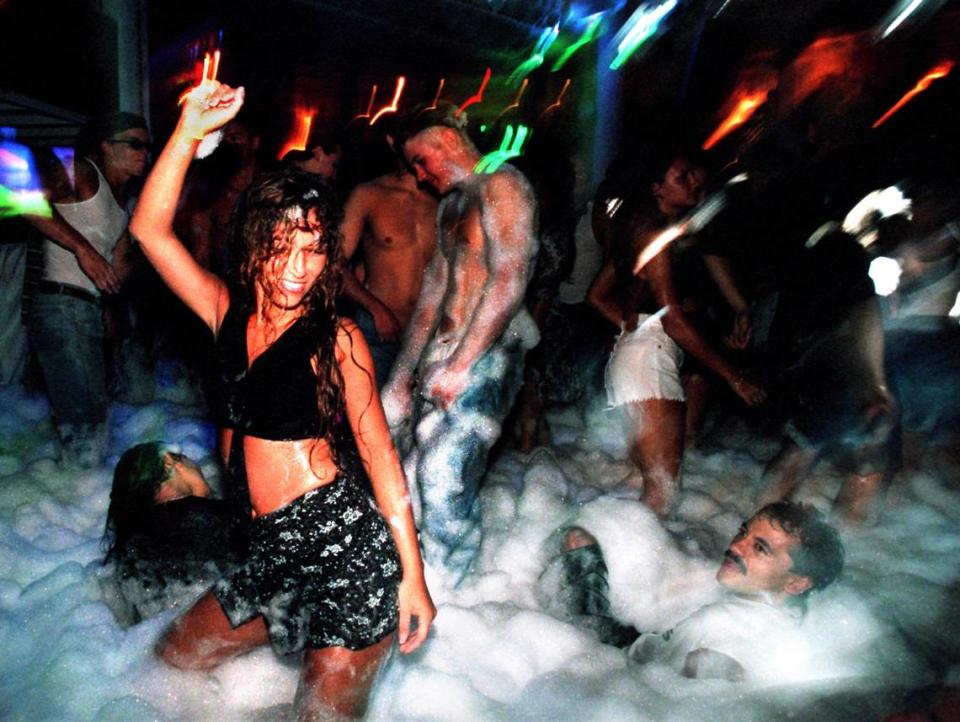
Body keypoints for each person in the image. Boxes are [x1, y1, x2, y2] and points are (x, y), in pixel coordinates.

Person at [129, 80, 434, 721]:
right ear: (254, 245)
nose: (299, 267)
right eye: (283, 248)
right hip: (269, 550)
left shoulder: (337, 338)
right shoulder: (224, 312)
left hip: (345, 551)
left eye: (315, 249)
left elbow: (379, 454)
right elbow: (150, 230)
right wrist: (188, 135)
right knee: (165, 664)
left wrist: (414, 574)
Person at [381, 102, 539, 586]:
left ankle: (458, 589)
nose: (420, 175)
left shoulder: (503, 184)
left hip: (488, 355)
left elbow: (511, 278)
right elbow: (432, 296)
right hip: (444, 354)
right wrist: (402, 375)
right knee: (407, 473)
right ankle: (420, 581)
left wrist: (463, 364)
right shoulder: (452, 206)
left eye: (421, 160)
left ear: (447, 140)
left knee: (442, 476)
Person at [587, 147, 765, 515]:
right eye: (681, 177)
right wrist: (735, 378)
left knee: (645, 482)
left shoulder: (641, 230)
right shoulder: (654, 236)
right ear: (657, 188)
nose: (694, 180)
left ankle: (593, 539)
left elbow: (598, 297)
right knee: (662, 494)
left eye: (694, 173)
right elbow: (673, 319)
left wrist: (633, 327)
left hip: (635, 357)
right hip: (648, 360)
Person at [548, 500, 844, 682]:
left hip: (619, 671)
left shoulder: (721, 648)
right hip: (645, 655)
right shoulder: (777, 614)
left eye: (760, 548)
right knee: (579, 541)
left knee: (576, 543)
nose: (735, 546)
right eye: (744, 532)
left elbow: (683, 700)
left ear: (796, 583)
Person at [25, 112, 148, 467]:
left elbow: (118, 270)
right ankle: (70, 500)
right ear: (107, 147)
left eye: (147, 146)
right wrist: (83, 249)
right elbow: (21, 197)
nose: (144, 153)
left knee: (93, 420)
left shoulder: (122, 209)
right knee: (84, 422)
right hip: (59, 305)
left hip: (86, 311)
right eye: (135, 144)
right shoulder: (80, 169)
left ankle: (78, 500)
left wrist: (110, 307)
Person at [101, 442, 241, 626]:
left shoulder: (125, 555)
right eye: (189, 458)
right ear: (168, 461)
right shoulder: (218, 520)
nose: (198, 466)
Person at [339, 134, 438, 389]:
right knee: (368, 421)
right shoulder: (370, 195)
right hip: (378, 332)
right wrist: (376, 309)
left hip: (427, 338)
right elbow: (332, 263)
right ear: (394, 142)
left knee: (419, 426)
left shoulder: (444, 201)